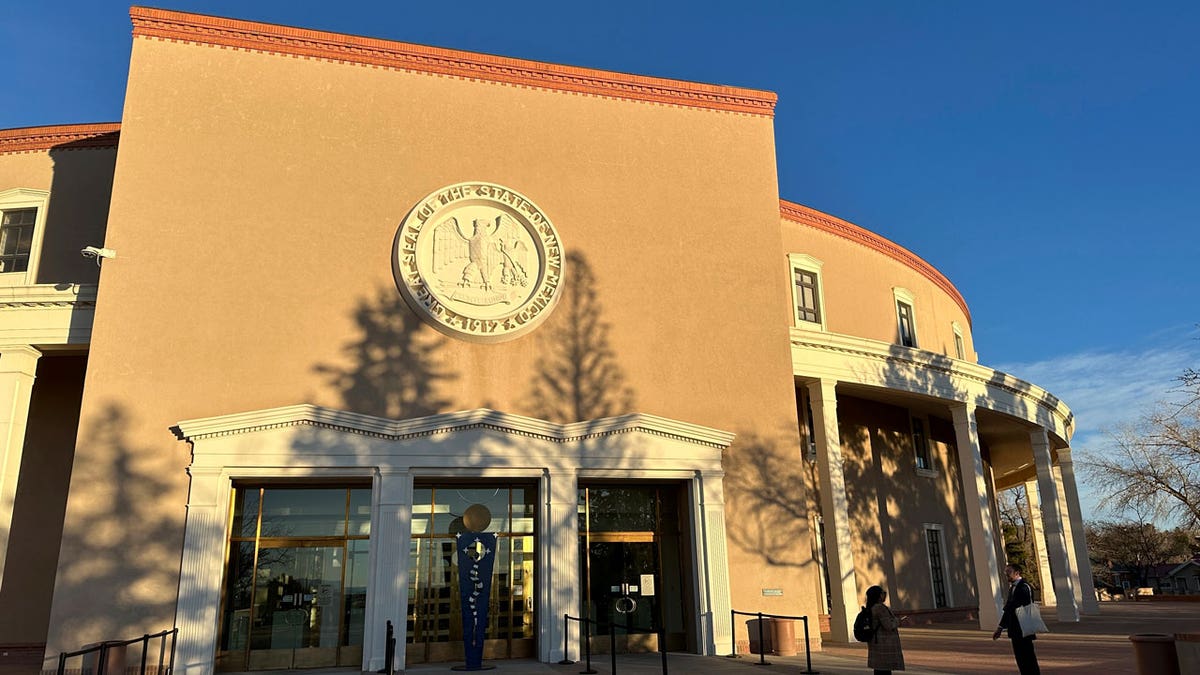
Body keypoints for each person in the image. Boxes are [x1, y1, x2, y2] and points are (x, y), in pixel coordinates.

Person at [992, 562, 1041, 674]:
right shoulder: (1012, 589)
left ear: (1017, 573)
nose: (1006, 574)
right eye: (1006, 572)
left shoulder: (1025, 587)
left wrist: (1010, 606)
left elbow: (1023, 604)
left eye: (1008, 572)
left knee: (1028, 655)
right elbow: (1008, 610)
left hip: (1024, 626)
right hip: (1014, 628)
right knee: (1019, 656)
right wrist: (1000, 627)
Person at [865, 585, 905, 675]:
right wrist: (897, 621)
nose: (885, 595)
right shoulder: (880, 608)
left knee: (879, 669)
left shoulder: (871, 607)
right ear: (878, 595)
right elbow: (888, 625)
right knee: (884, 669)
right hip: (884, 643)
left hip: (876, 642)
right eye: (883, 593)